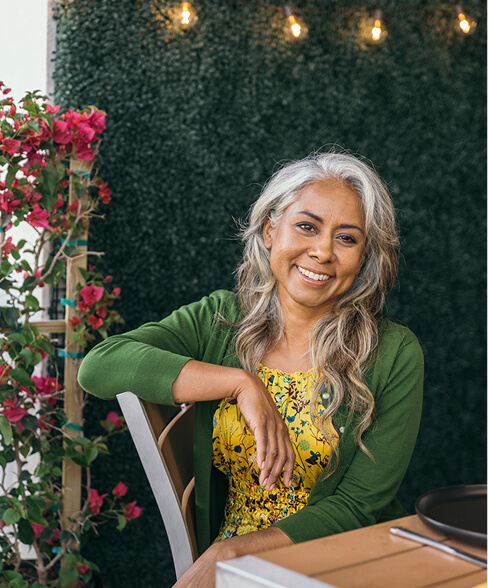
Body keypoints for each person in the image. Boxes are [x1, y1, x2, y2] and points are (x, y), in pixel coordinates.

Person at [78, 150, 424, 588]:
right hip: (241, 566)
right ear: (269, 230)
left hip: (346, 559)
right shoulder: (220, 320)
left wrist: (233, 549)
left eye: (347, 238)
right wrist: (240, 383)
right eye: (307, 226)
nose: (321, 251)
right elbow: (99, 366)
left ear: (364, 257)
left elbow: (358, 505)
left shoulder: (394, 353)